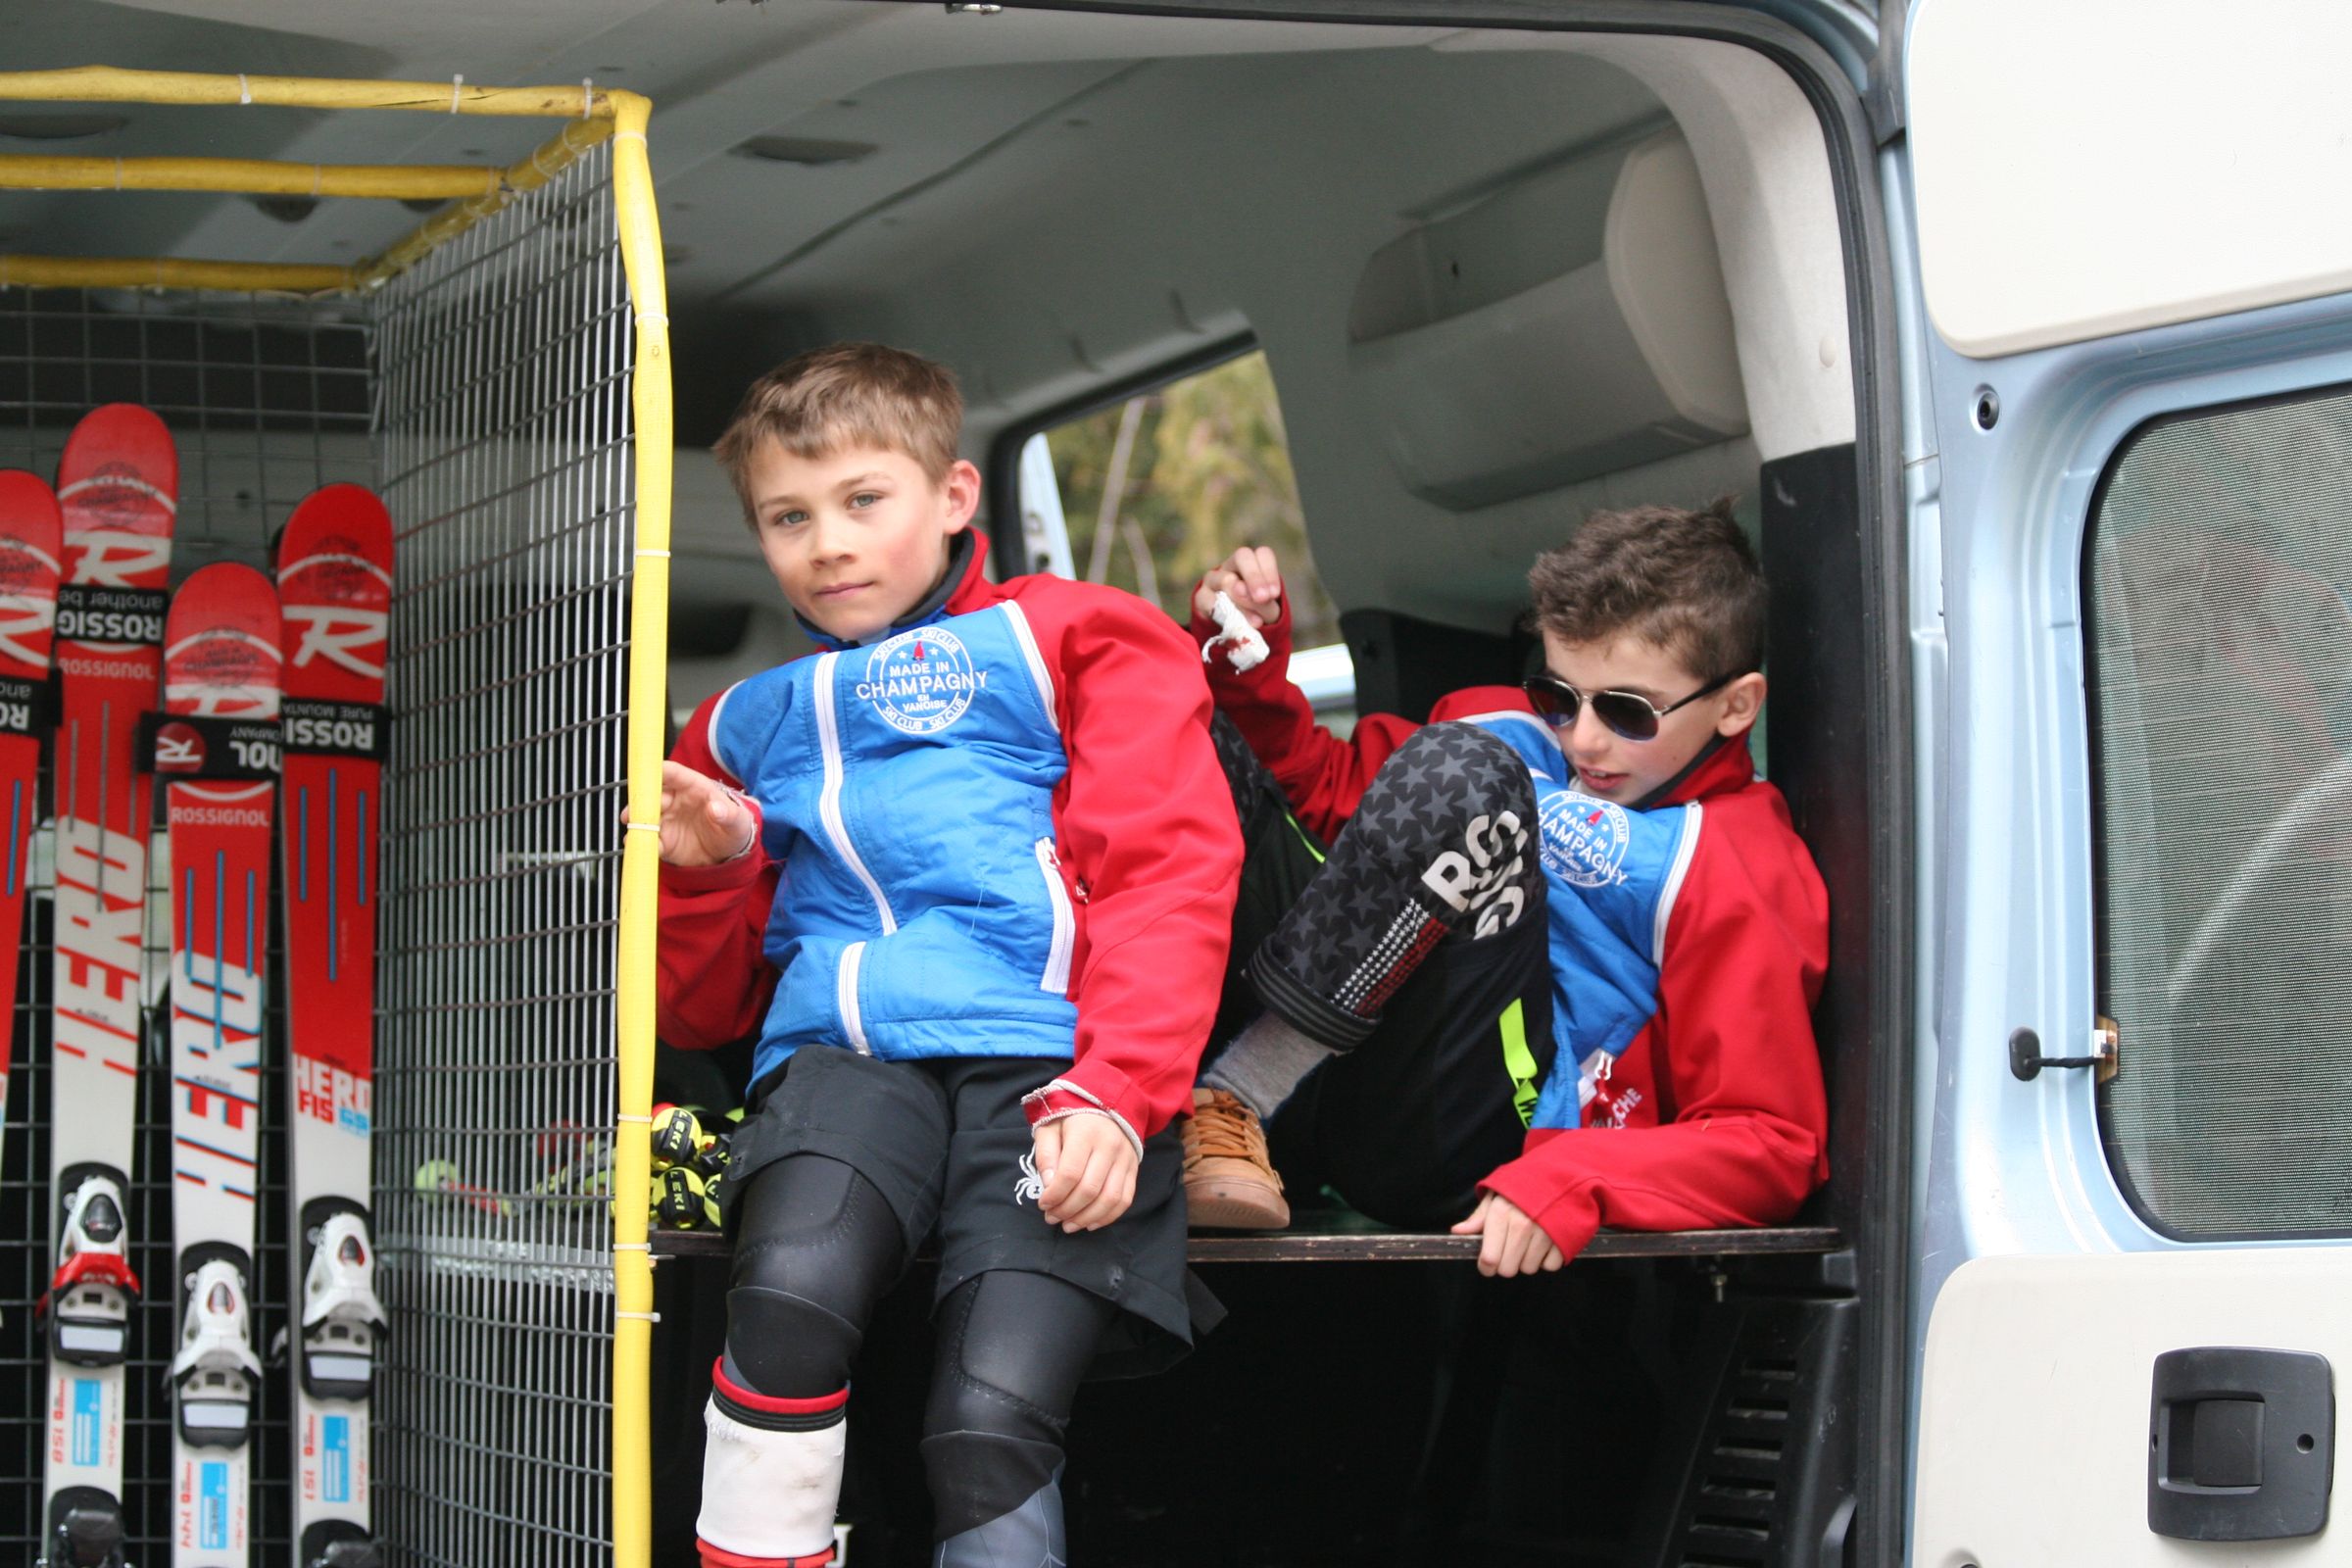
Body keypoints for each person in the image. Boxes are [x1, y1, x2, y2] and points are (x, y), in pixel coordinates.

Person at [656, 343, 1239, 1568]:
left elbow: (1167, 872)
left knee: (989, 1421)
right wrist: (709, 871)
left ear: (956, 495)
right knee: (787, 1296)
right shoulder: (736, 727)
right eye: (788, 517)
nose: (829, 543)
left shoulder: (1078, 636)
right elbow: (699, 1011)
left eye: (864, 499)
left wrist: (1121, 1090)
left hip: (1058, 1071)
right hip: (840, 1062)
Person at [1181, 499, 1829, 1278]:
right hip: (1341, 1054)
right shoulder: (1508, 729)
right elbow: (1326, 796)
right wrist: (1243, 661)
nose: (1584, 738)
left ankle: (1236, 1094)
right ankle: (1117, 1092)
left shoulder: (1734, 861)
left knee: (1466, 773)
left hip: (1482, 1130)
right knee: (1178, 713)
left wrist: (1574, 1179)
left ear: (1735, 705)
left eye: (1627, 711)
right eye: (1560, 695)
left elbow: (1770, 1141)